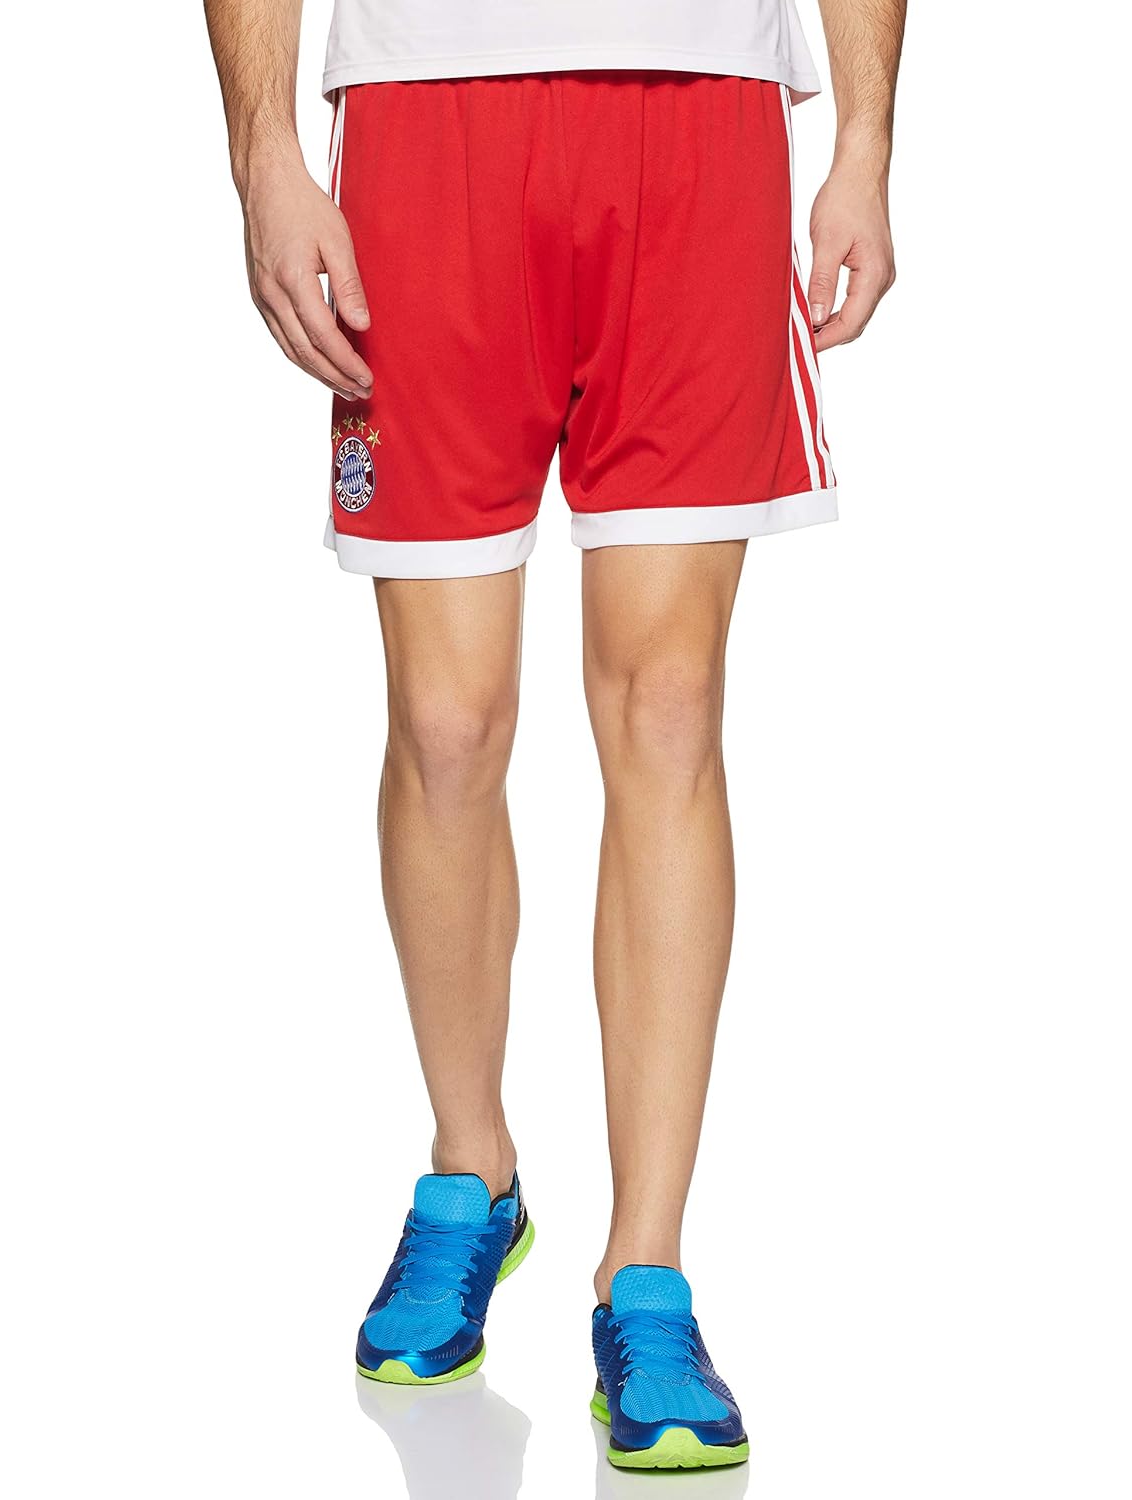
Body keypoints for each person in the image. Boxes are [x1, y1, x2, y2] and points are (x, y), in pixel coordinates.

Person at [205, 0, 903, 1470]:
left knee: (669, 705)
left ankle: (645, 1271)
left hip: (699, 102)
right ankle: (471, 1173)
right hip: (426, 108)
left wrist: (865, 139)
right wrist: (262, 151)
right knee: (445, 721)